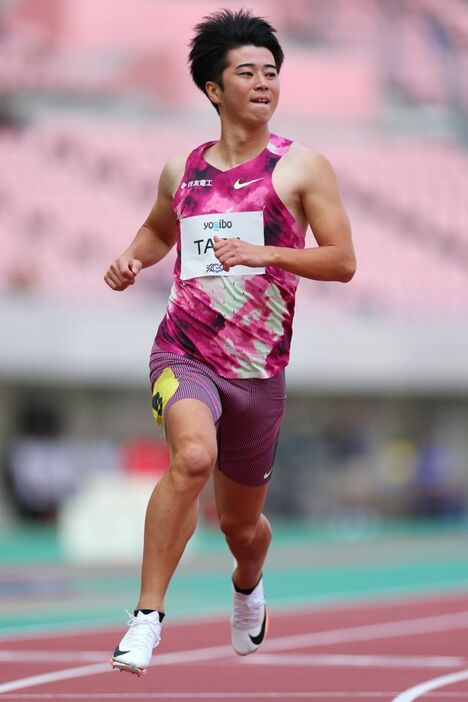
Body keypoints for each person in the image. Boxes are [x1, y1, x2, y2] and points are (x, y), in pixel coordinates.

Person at [105, 8, 356, 676]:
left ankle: (248, 584)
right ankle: (147, 618)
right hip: (183, 351)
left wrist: (262, 252)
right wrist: (132, 258)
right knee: (191, 457)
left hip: (258, 374)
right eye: (247, 71)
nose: (264, 83)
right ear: (215, 89)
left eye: (271, 72)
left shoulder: (300, 168)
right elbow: (160, 229)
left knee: (241, 528)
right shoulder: (181, 170)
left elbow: (342, 261)